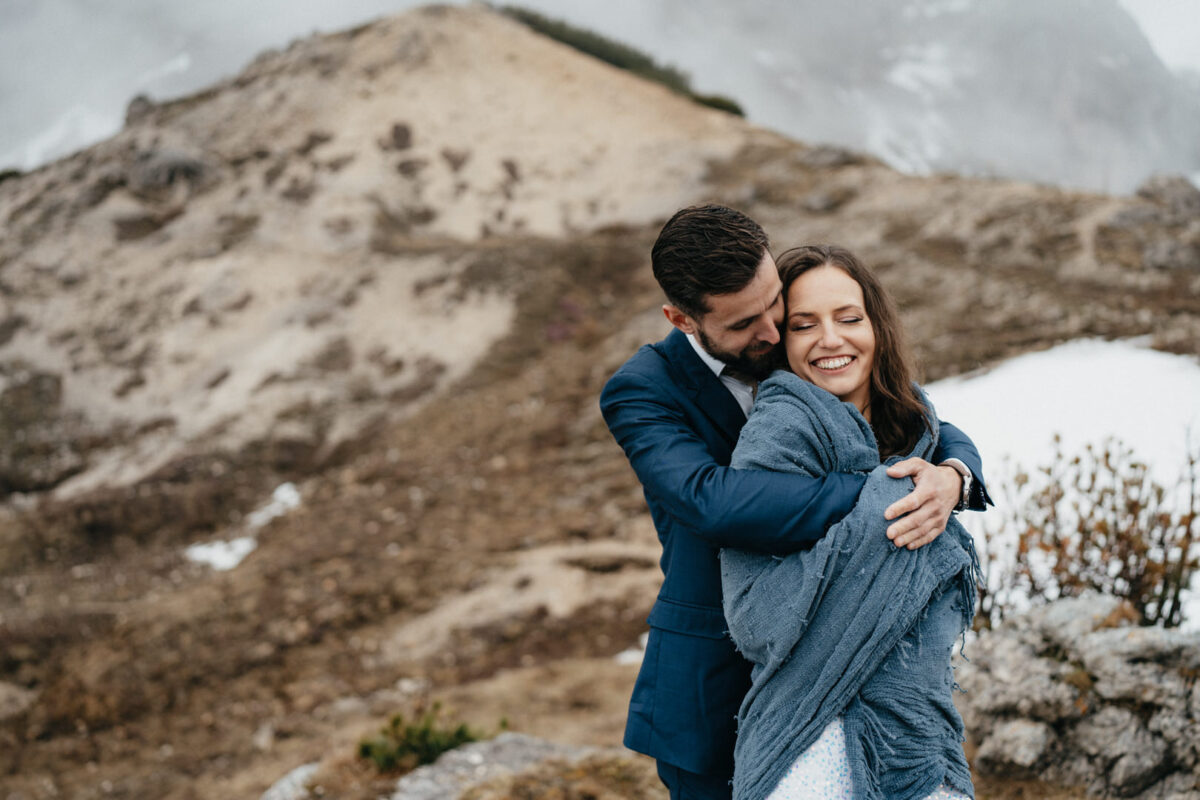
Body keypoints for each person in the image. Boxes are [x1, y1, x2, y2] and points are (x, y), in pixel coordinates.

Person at [600, 205, 990, 800]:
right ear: (681, 318)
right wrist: (882, 489)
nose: (771, 330)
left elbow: (908, 409)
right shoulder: (643, 390)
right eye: (743, 323)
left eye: (773, 302)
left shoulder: (799, 340)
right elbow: (711, 501)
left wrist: (954, 474)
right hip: (716, 679)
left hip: (850, 657)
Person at [720, 244, 982, 800]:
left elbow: (949, 446)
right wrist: (885, 500)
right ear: (781, 341)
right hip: (808, 732)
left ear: (877, 327)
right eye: (804, 324)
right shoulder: (777, 435)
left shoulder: (916, 425)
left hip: (916, 734)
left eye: (849, 318)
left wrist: (954, 475)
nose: (831, 340)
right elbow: (753, 617)